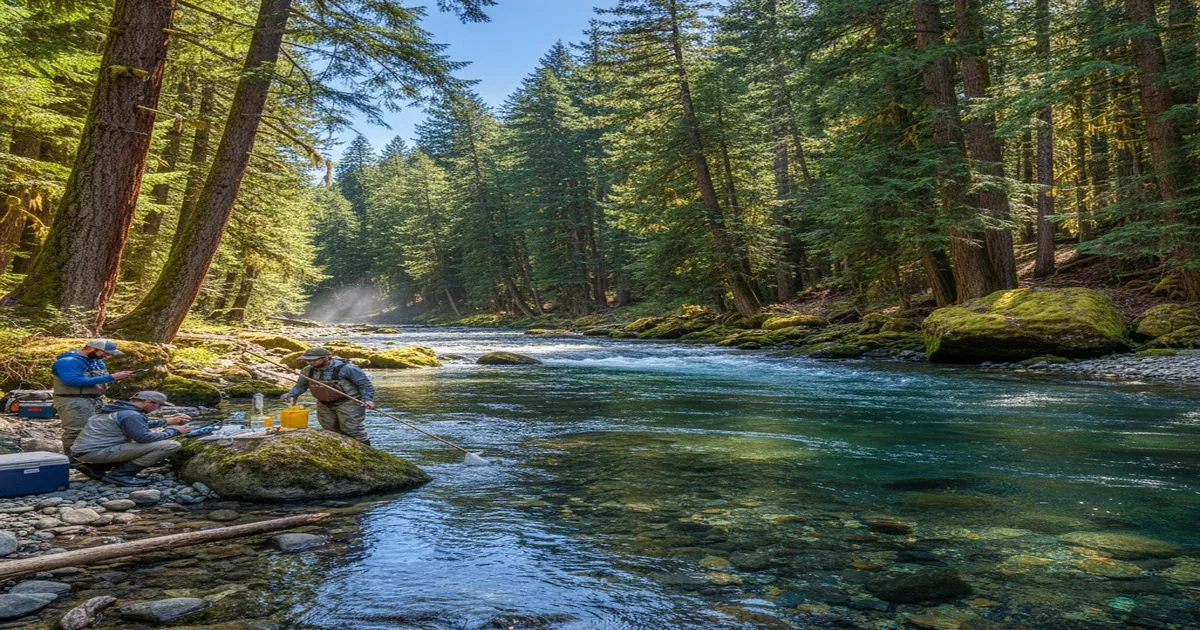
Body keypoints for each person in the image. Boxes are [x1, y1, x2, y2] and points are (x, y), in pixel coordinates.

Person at [70, 391, 192, 486]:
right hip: (96, 452)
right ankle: (120, 475)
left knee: (134, 443)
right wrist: (175, 431)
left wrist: (166, 421)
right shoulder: (131, 414)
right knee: (170, 445)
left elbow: (134, 426)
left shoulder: (119, 409)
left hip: (85, 452)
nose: (158, 409)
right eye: (159, 406)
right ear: (150, 402)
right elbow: (143, 438)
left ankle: (96, 468)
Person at [51, 339, 135, 457]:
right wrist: (111, 377)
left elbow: (100, 379)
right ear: (91, 348)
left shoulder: (96, 361)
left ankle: (91, 458)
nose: (107, 355)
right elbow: (71, 381)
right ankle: (73, 462)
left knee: (96, 429)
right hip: (73, 400)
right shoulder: (67, 362)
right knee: (76, 431)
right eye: (105, 352)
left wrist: (116, 377)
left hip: (94, 400)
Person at [282, 347, 376, 445]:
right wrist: (291, 394)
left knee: (353, 430)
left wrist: (367, 399)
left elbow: (365, 385)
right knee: (330, 432)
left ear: (326, 358)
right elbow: (300, 386)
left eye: (313, 360)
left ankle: (367, 454)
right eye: (307, 361)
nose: (310, 363)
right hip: (324, 404)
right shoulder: (307, 371)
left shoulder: (348, 368)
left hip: (349, 402)